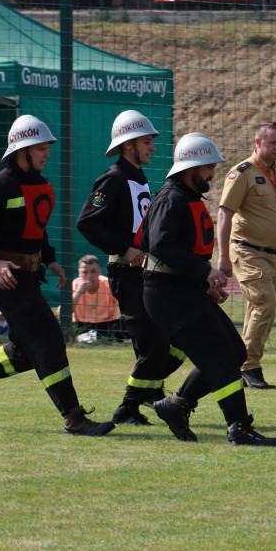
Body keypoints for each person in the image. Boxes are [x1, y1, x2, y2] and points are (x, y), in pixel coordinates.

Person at [0, 115, 114, 436]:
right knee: (48, 339)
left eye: (47, 148)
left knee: (25, 350)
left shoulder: (38, 184)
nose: (47, 154)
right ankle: (73, 417)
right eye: (42, 149)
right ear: (22, 151)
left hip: (29, 276)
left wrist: (51, 260)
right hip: (4, 279)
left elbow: (36, 229)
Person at [141, 132, 276, 445]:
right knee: (219, 354)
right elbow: (162, 246)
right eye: (208, 168)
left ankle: (176, 406)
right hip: (168, 294)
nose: (212, 173)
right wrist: (204, 272)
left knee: (235, 352)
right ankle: (238, 428)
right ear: (190, 169)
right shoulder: (171, 199)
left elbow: (176, 250)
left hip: (183, 290)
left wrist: (204, 282)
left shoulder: (186, 197)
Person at [77, 110, 183, 426]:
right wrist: (124, 248)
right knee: (153, 344)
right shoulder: (114, 177)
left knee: (165, 340)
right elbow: (87, 223)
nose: (153, 147)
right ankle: (129, 407)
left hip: (145, 273)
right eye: (147, 141)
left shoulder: (137, 175)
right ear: (129, 144)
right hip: (126, 273)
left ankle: (148, 393)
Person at [217, 121, 276, 389]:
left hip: (274, 255)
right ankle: (250, 366)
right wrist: (222, 257)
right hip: (247, 251)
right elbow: (224, 214)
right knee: (265, 304)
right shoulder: (241, 173)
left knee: (260, 308)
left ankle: (238, 365)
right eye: (272, 143)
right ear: (258, 143)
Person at [71, 255, 127, 340]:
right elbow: (62, 312)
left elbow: (125, 305)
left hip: (107, 324)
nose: (89, 276)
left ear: (99, 272)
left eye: (93, 271)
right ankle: (98, 337)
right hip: (81, 324)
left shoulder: (108, 284)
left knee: (127, 323)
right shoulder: (75, 284)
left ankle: (89, 337)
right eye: (85, 272)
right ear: (79, 273)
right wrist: (78, 293)